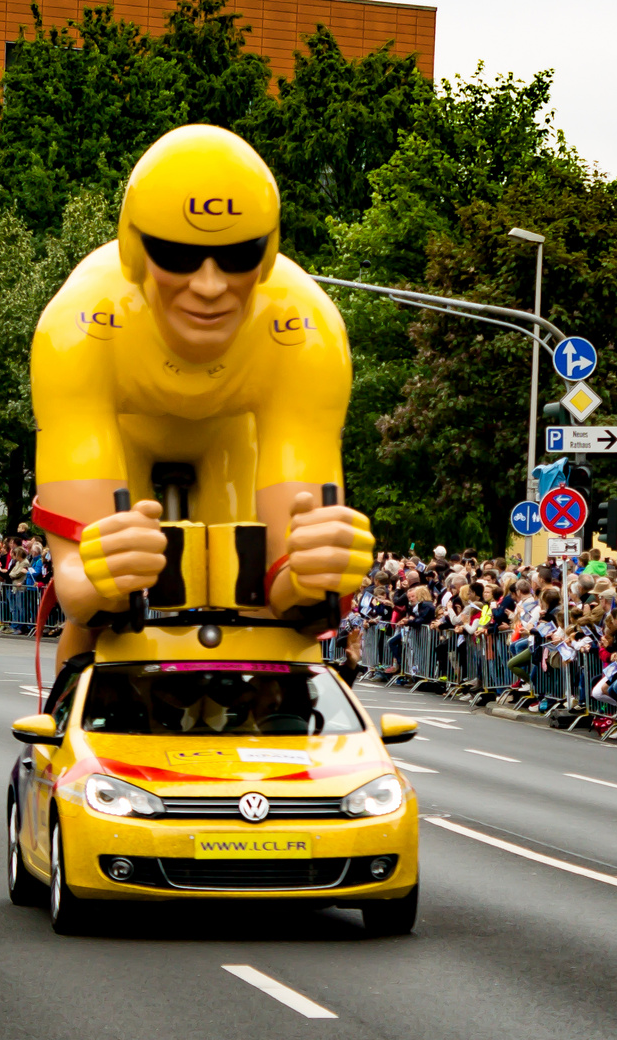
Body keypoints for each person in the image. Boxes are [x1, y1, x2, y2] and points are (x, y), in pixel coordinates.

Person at [29, 125, 373, 662]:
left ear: (269, 252)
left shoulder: (308, 330)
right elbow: (77, 583)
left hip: (232, 436)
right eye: (177, 256)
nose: (210, 286)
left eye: (238, 257)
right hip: (124, 436)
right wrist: (98, 581)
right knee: (104, 615)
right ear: (134, 250)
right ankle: (68, 718)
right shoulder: (75, 330)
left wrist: (314, 574)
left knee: (256, 606)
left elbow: (292, 594)